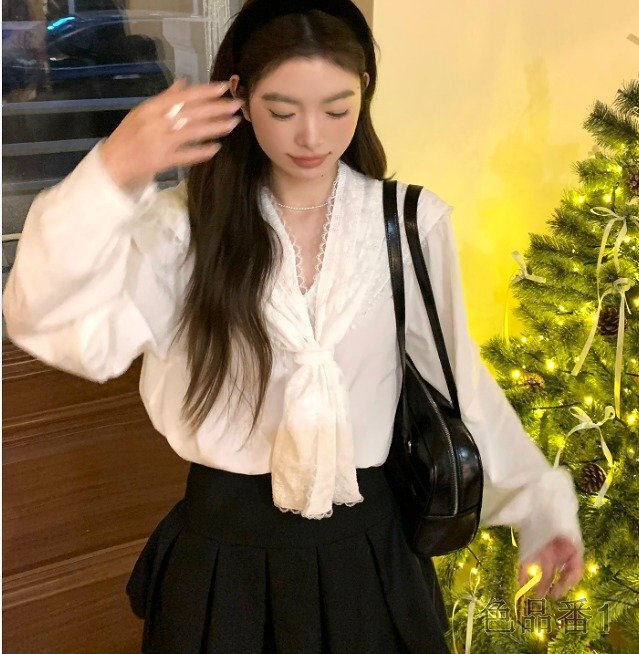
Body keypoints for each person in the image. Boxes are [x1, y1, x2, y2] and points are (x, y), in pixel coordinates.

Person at [2, 0, 585, 652]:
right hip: (224, 559)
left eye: (337, 109)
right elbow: (55, 323)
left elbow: (457, 382)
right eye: (283, 111)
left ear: (364, 91)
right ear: (241, 99)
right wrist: (113, 172)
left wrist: (537, 504)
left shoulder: (408, 224)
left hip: (371, 553)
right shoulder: (183, 227)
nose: (312, 136)